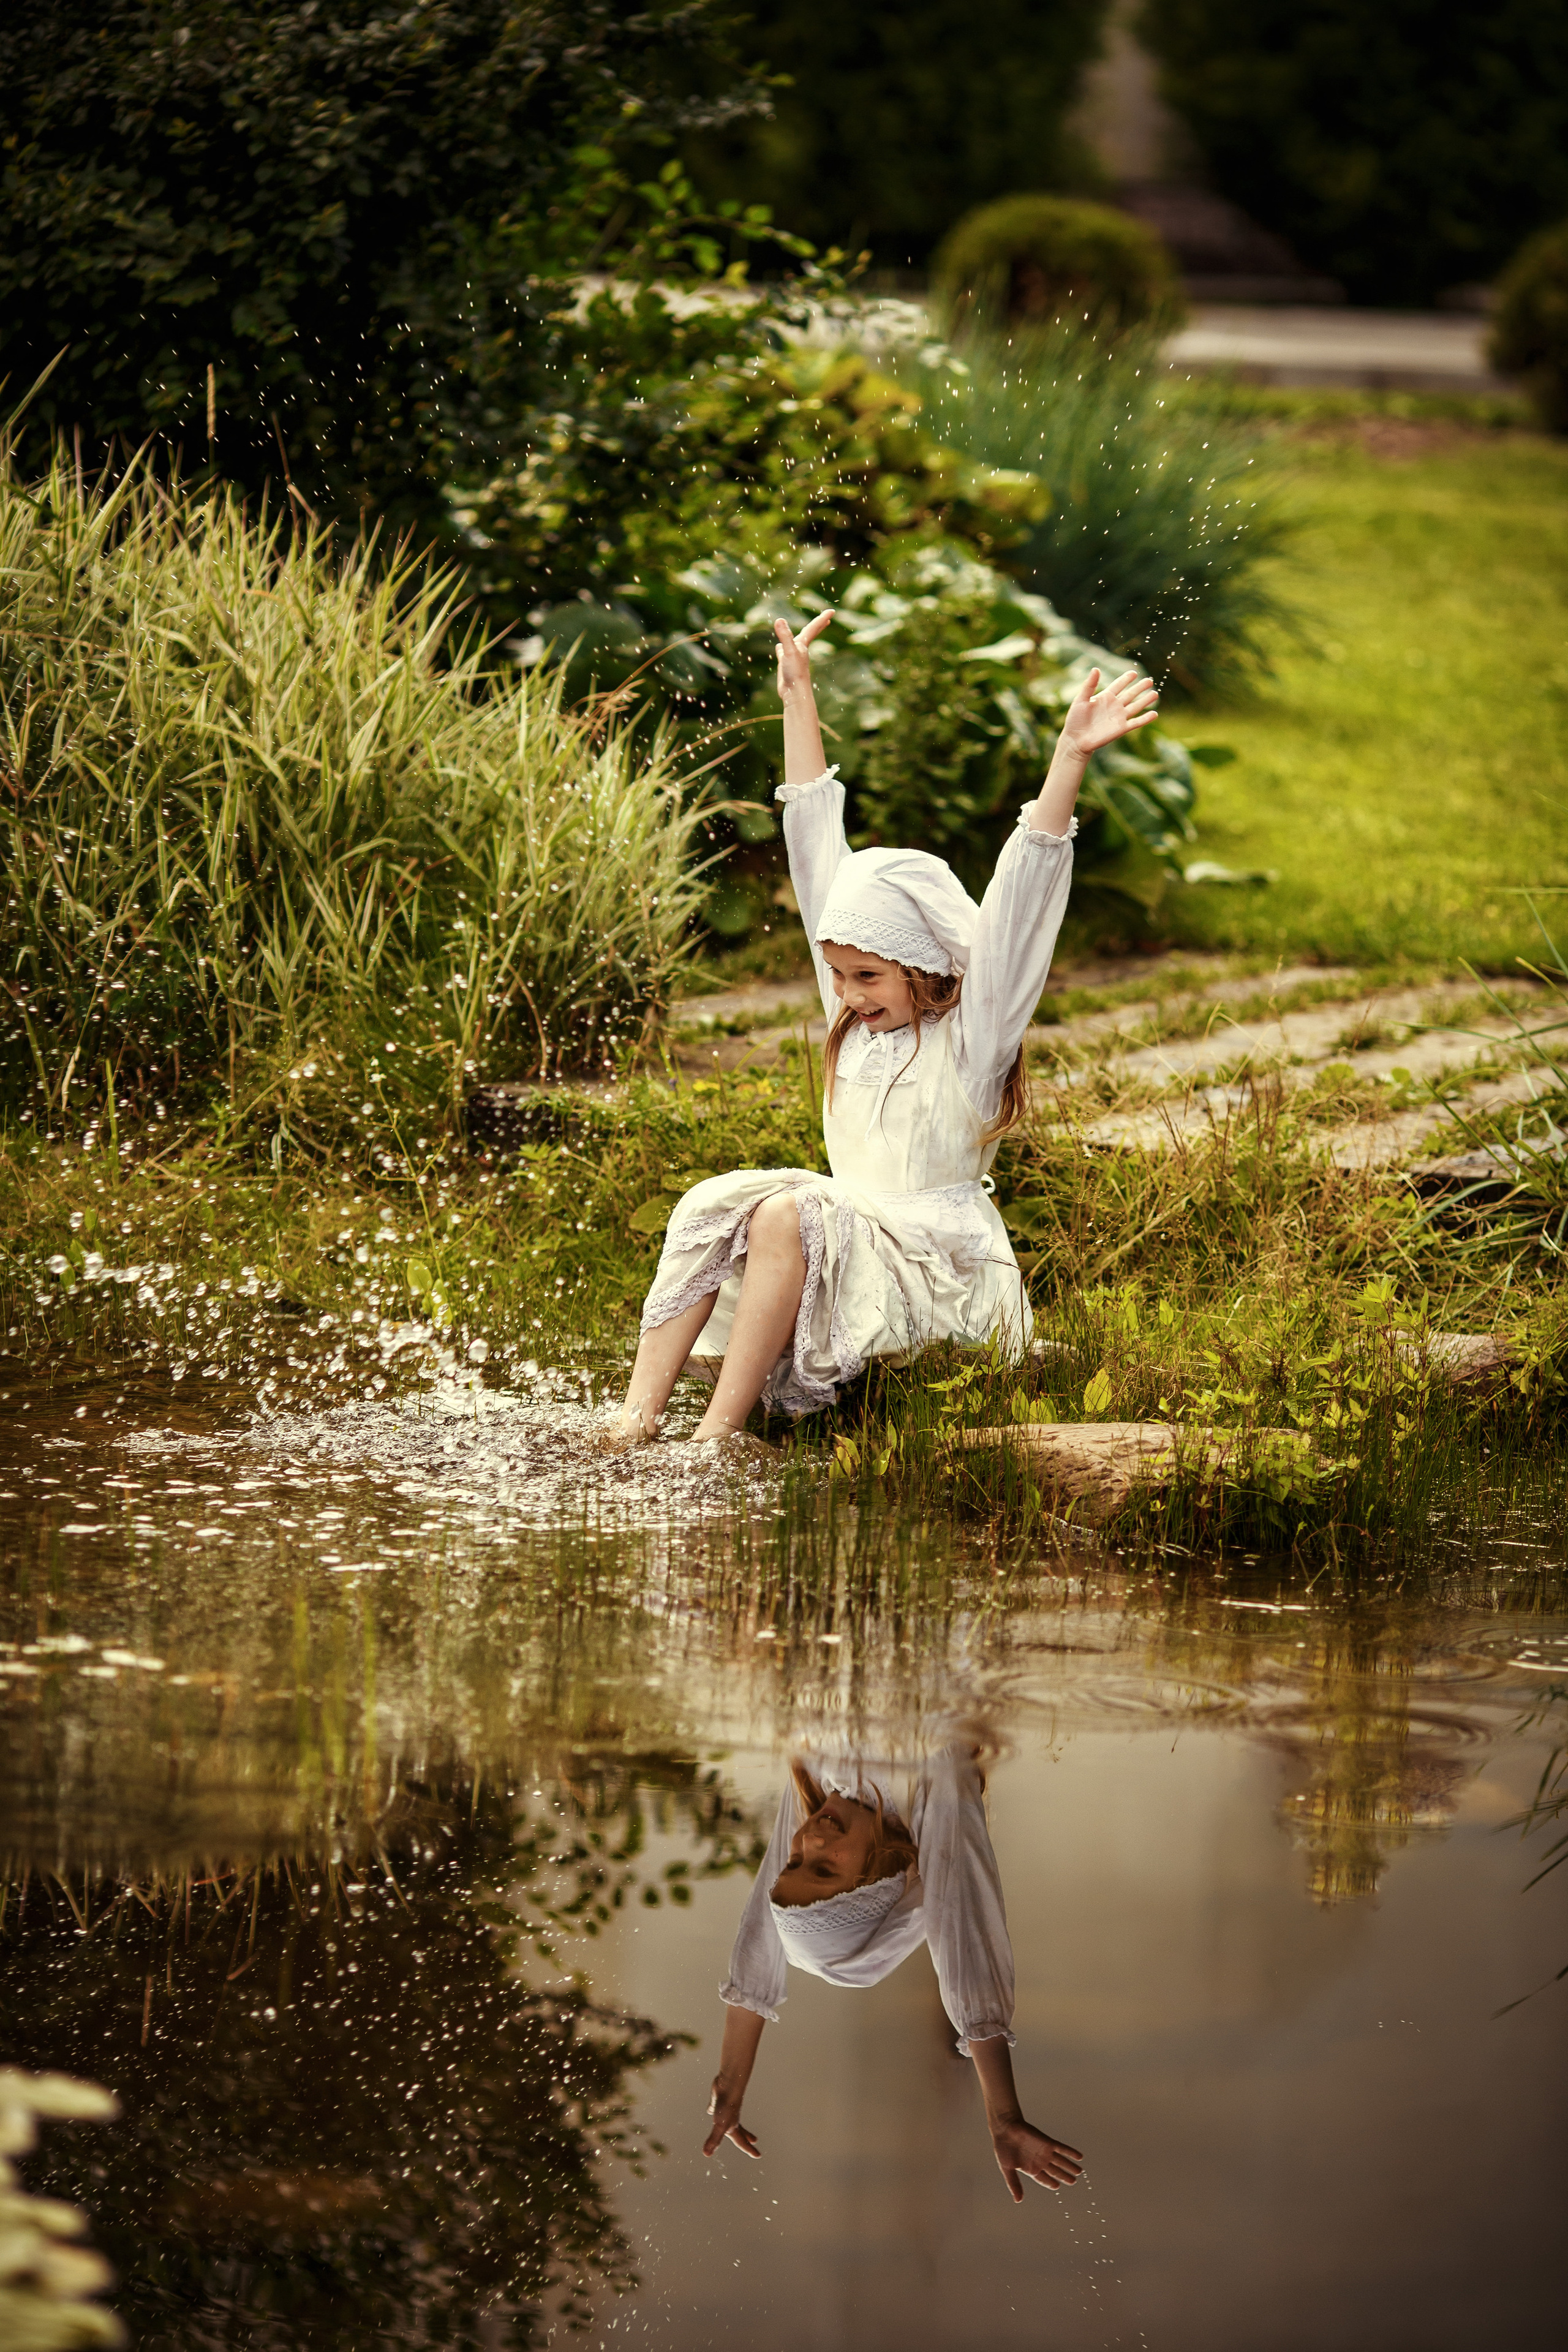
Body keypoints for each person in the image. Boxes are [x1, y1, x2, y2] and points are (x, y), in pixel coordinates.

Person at [602, 609, 1158, 1448]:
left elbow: (1019, 907)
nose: (849, 995)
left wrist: (1068, 760)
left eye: (867, 978)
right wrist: (798, 700)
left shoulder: (973, 1039)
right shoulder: (857, 1020)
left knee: (788, 1213)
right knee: (723, 1202)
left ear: (926, 969)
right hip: (851, 1242)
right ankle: (633, 1420)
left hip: (943, 1271)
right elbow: (815, 842)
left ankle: (717, 1438)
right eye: (838, 976)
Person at [702, 1747, 1084, 2201]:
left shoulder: (824, 1791)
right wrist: (1002, 2114)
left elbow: (762, 1932)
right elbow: (964, 1932)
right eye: (825, 1870)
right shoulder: (932, 1794)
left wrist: (730, 2081)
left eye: (795, 1863)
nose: (809, 1844)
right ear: (879, 1876)